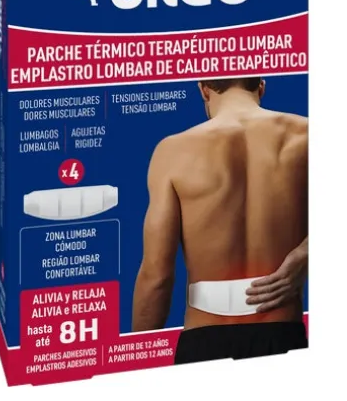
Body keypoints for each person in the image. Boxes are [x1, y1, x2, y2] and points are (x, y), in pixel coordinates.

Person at [131, 77, 308, 364]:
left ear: (204, 89)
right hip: (283, 334)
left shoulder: (173, 151)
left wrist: (137, 363)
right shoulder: (307, 135)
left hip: (205, 341)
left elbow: (157, 276)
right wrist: (305, 252)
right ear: (261, 86)